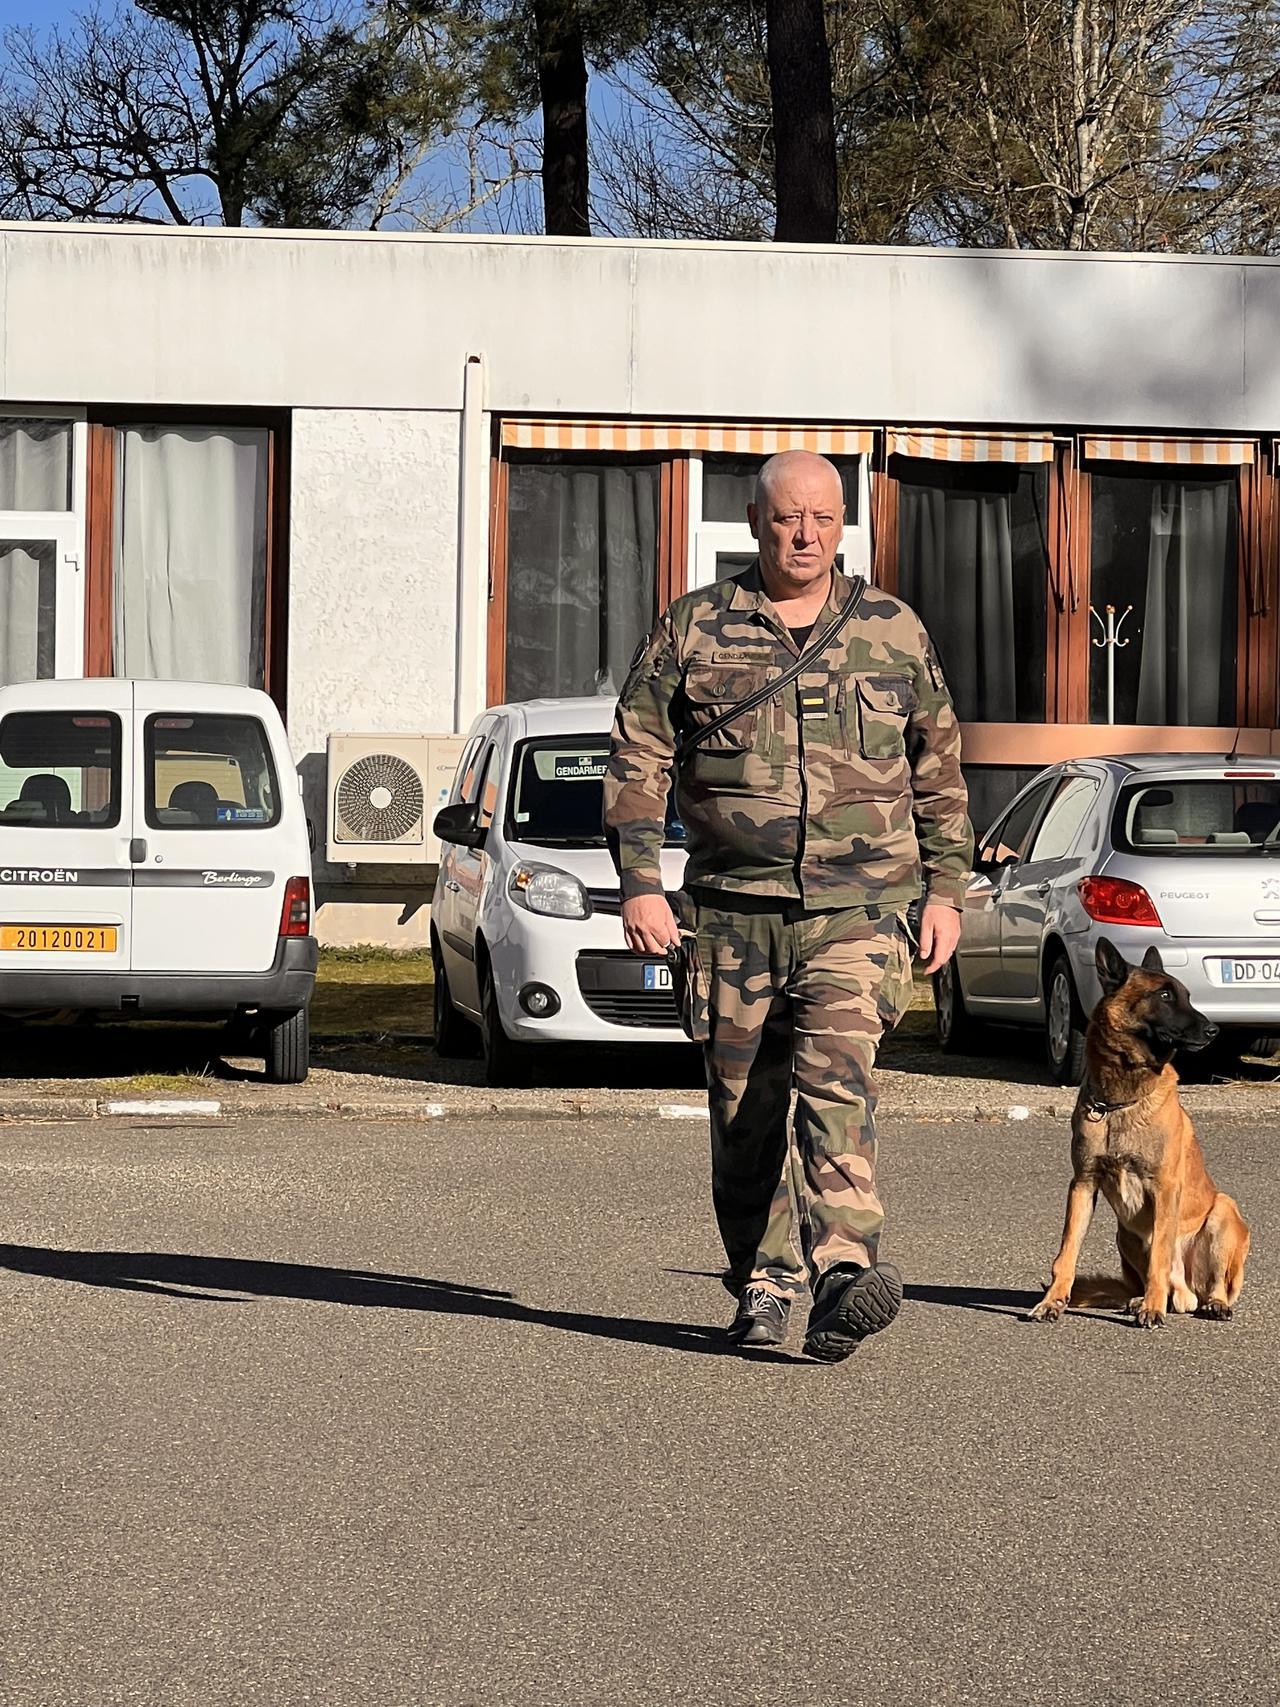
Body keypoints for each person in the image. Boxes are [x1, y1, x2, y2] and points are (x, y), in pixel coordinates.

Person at [603, 449, 973, 1363]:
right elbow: (639, 753)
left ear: (842, 524)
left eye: (821, 518)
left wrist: (947, 889)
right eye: (785, 519)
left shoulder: (891, 628)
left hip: (861, 910)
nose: (804, 535)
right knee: (745, 1112)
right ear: (753, 521)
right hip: (733, 912)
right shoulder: (695, 628)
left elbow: (939, 767)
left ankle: (845, 1269)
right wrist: (642, 881)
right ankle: (765, 1279)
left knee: (835, 1082)